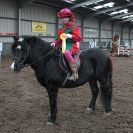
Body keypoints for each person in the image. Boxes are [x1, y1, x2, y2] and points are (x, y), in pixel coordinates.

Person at [51, 8, 82, 81]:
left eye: (65, 17)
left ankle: (75, 73)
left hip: (71, 45)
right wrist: (54, 43)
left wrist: (71, 36)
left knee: (66, 52)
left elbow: (79, 38)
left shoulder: (74, 27)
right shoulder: (60, 29)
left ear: (69, 18)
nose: (63, 19)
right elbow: (58, 40)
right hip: (62, 45)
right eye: (62, 17)